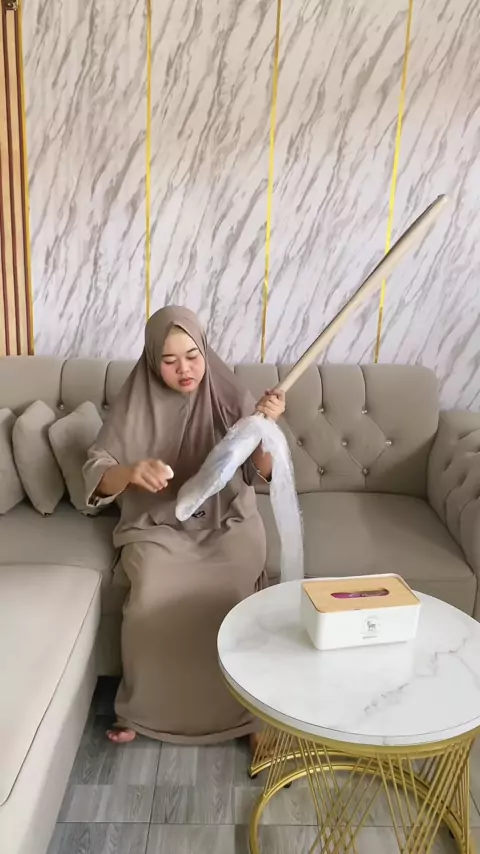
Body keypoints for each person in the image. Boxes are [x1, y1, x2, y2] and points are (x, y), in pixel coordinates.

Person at [83, 306, 285, 746]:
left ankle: (247, 717)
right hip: (157, 527)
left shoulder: (229, 392)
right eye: (170, 360)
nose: (185, 370)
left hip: (228, 522)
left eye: (193, 356)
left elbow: (260, 472)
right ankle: (144, 711)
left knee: (233, 592)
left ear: (204, 350)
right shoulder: (134, 401)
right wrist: (132, 472)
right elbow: (97, 472)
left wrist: (266, 427)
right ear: (152, 360)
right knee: (152, 590)